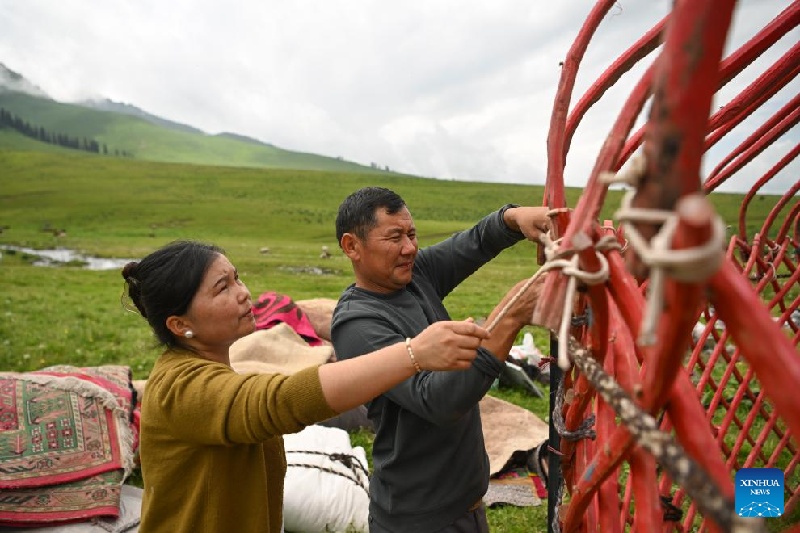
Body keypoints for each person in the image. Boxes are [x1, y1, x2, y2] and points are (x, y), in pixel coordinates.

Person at [122, 240, 491, 533]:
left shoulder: (213, 371)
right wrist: (413, 354)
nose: (243, 293)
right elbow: (279, 402)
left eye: (237, 277)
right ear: (179, 324)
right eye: (222, 288)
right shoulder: (179, 389)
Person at [331, 186, 550, 532]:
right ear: (352, 246)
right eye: (394, 237)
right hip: (418, 519)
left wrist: (513, 218)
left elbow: (474, 243)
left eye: (412, 234)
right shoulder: (358, 324)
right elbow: (439, 400)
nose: (409, 248)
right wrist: (509, 317)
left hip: (466, 505)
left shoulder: (415, 276)